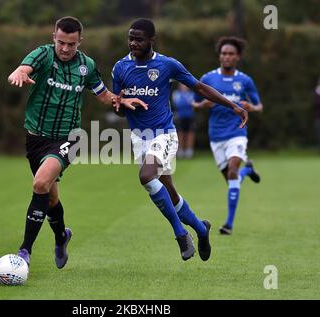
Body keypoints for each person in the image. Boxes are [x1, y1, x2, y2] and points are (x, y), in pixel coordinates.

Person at [7, 16, 147, 269]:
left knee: (40, 183)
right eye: (61, 42)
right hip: (36, 138)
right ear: (54, 38)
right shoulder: (43, 55)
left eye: (71, 44)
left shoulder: (87, 66)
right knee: (49, 198)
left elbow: (103, 95)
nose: (65, 48)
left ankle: (24, 252)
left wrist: (120, 100)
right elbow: (23, 68)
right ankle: (61, 237)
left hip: (69, 138)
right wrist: (19, 72)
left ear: (79, 42)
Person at [112, 19, 248, 261]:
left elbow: (200, 88)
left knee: (146, 177)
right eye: (130, 38)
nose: (133, 42)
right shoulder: (120, 68)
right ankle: (200, 228)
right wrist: (121, 104)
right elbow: (119, 108)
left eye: (139, 39)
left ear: (151, 40)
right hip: (140, 138)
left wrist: (233, 106)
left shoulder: (167, 65)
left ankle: (181, 234)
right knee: (170, 193)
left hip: (164, 134)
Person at [193, 36, 263, 235]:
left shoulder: (245, 80)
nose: (227, 57)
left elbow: (259, 106)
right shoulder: (207, 79)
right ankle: (247, 172)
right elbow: (194, 103)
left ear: (238, 57)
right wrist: (202, 105)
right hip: (216, 136)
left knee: (232, 170)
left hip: (237, 132)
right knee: (232, 180)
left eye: (231, 54)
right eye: (224, 53)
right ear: (219, 56)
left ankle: (228, 225)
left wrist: (252, 107)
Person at [172, 83, 196, 159]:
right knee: (180, 133)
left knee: (190, 133)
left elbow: (193, 104)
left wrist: (187, 102)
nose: (184, 87)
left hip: (190, 116)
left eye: (185, 85)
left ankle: (189, 151)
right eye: (182, 85)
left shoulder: (191, 94)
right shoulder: (176, 94)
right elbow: (178, 104)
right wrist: (187, 102)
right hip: (180, 116)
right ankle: (180, 150)